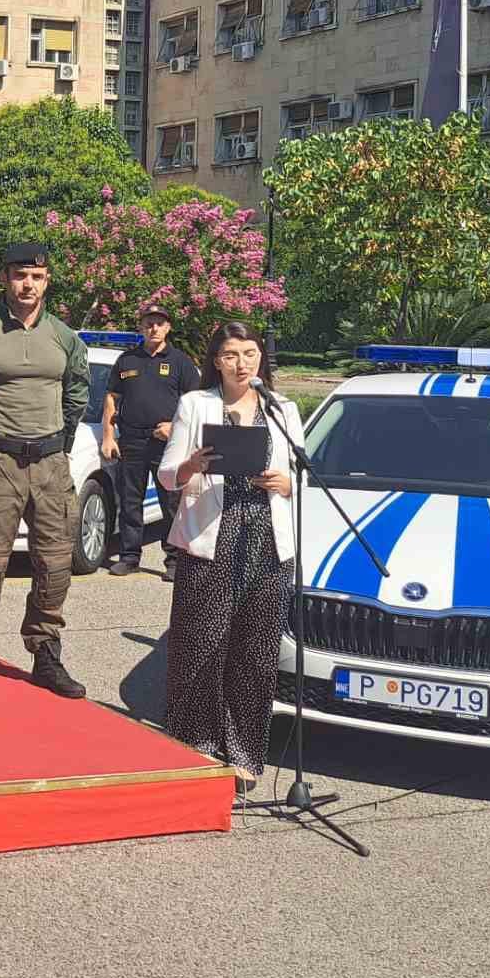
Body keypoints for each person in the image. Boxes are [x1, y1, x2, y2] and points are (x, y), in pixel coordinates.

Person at [157, 321, 300, 794]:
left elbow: (298, 473)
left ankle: (244, 754)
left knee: (255, 653)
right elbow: (167, 475)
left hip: (266, 539)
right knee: (201, 645)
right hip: (213, 536)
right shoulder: (195, 405)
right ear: (216, 360)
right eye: (232, 354)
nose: (242, 363)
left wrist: (286, 483)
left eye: (250, 353)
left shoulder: (283, 409)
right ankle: (193, 743)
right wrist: (193, 465)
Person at [0, 241, 90, 704]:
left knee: (54, 565)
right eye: (18, 275)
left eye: (36, 276)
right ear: (4, 279)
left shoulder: (65, 338)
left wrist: (59, 444)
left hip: (51, 464)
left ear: (47, 281)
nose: (27, 284)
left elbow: (77, 394)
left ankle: (45, 654)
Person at [103, 304, 200, 581]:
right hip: (132, 439)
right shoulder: (126, 360)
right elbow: (112, 398)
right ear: (141, 327)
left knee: (170, 501)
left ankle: (173, 560)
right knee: (130, 500)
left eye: (159, 323)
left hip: (167, 443)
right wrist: (109, 436)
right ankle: (129, 556)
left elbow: (194, 402)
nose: (154, 328)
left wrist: (174, 426)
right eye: (149, 323)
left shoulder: (180, 362)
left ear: (168, 327)